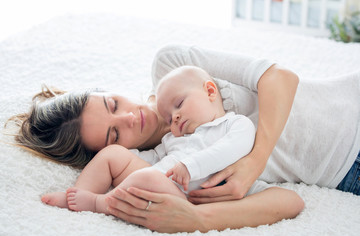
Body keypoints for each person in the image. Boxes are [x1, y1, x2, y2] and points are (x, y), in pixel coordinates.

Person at [7, 44, 360, 233]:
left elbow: (281, 77)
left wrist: (253, 163)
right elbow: (284, 202)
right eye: (115, 133)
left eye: (112, 103)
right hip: (347, 177)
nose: (130, 117)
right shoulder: (163, 167)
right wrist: (199, 221)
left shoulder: (173, 71)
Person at [41, 65, 260, 214]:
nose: (174, 117)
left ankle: (102, 204)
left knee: (148, 179)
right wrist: (125, 159)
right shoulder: (175, 137)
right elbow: (157, 157)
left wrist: (191, 166)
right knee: (112, 156)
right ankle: (80, 193)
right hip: (164, 180)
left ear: (211, 92)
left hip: (188, 196)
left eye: (114, 104)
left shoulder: (236, 124)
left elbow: (230, 149)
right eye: (115, 135)